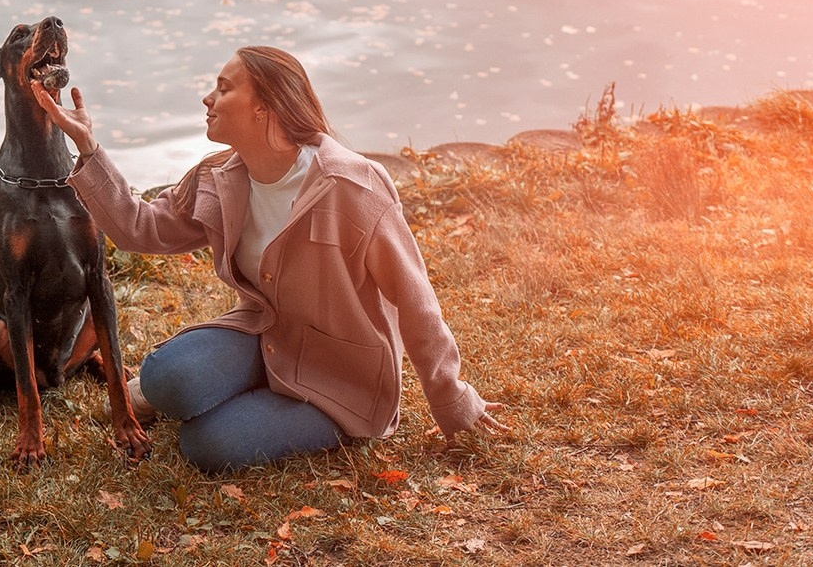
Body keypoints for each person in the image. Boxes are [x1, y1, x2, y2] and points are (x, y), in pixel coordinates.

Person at [30, 45, 506, 472]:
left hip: (342, 377)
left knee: (208, 445)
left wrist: (451, 399)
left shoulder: (352, 186)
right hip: (264, 337)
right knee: (165, 377)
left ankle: (268, 405)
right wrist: (88, 146)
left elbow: (415, 299)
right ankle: (206, 389)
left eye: (224, 88)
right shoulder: (220, 178)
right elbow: (141, 228)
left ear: (265, 107)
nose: (208, 99)